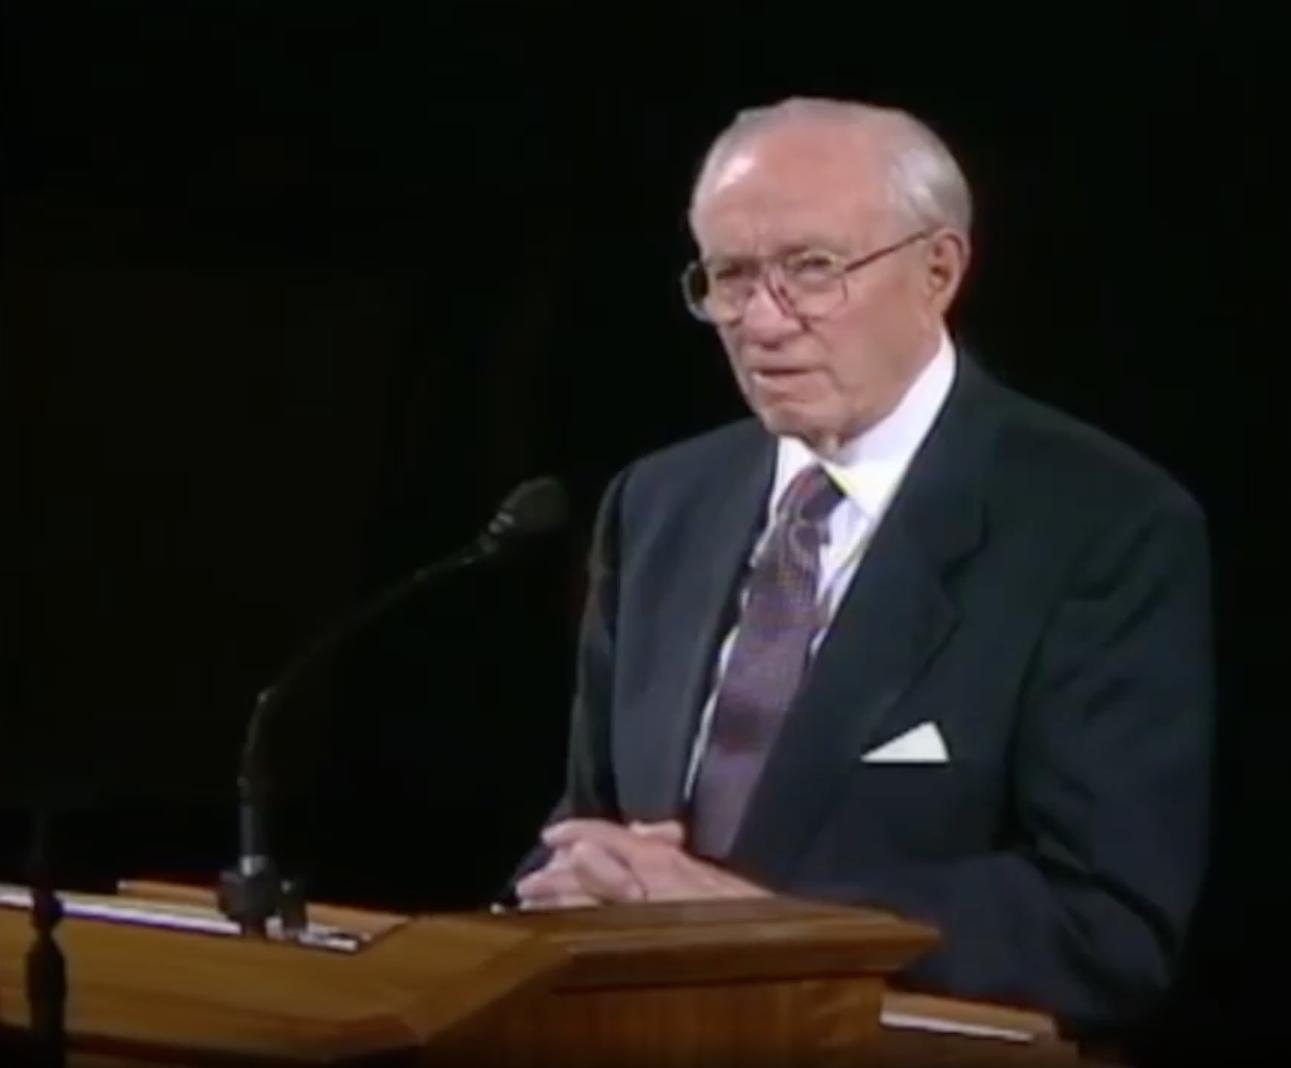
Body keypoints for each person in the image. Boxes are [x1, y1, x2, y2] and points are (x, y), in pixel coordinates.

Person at [509, 97, 1214, 1044]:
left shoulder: (1101, 525)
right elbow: (589, 825)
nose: (762, 321)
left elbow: (1104, 927)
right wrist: (547, 897)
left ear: (938, 270)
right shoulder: (659, 503)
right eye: (730, 277)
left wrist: (746, 921)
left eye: (812, 269)